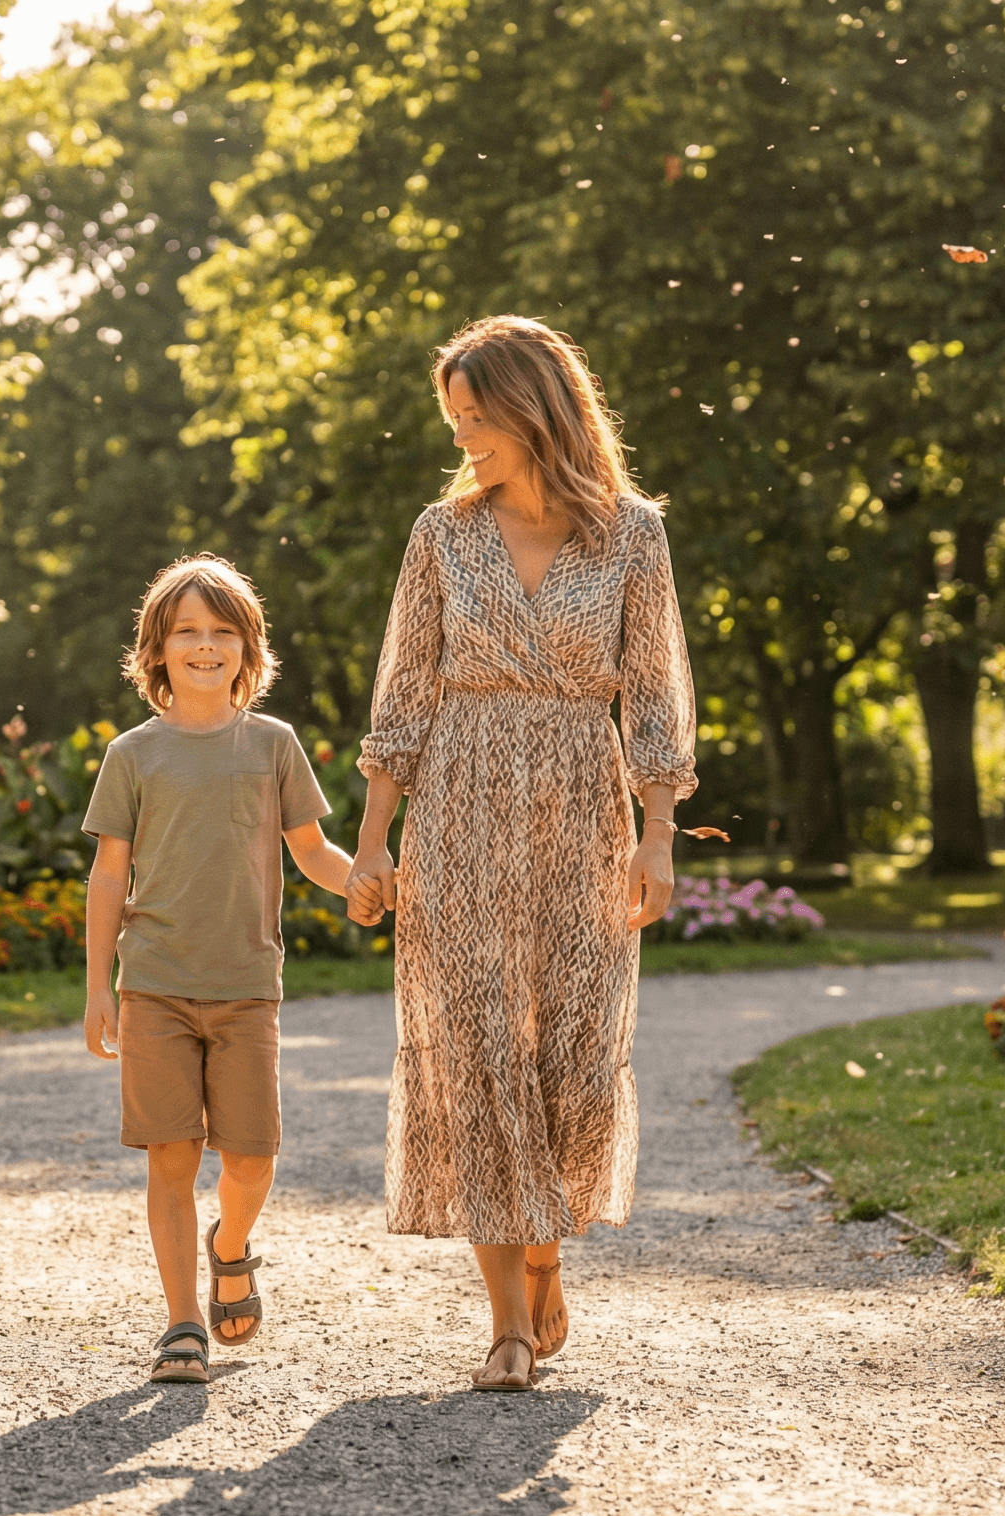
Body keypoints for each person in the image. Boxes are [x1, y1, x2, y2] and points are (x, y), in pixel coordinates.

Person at [344, 315, 700, 1392]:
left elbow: (656, 694)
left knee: (577, 1064)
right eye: (453, 423)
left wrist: (657, 837)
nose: (463, 444)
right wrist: (372, 843)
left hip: (582, 811)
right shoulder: (440, 536)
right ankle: (503, 1322)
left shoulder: (633, 535)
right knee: (477, 1056)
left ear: (534, 413)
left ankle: (545, 1244)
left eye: (476, 421)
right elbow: (402, 695)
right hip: (457, 806)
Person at [81, 554, 370, 1385]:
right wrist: (99, 988)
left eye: (222, 632)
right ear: (156, 652)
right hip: (156, 986)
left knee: (250, 1159)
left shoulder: (273, 744)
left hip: (247, 987)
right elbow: (109, 875)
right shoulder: (132, 755)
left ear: (249, 648)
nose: (205, 646)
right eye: (187, 633)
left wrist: (366, 883)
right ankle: (180, 1325)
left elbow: (311, 851)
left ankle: (231, 1245)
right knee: (170, 1156)